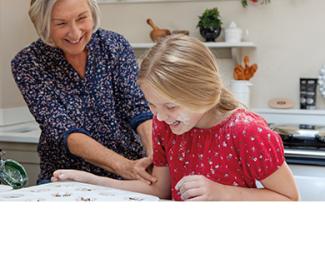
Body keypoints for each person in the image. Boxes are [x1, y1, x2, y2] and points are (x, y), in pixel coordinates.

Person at [52, 34, 299, 201]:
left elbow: (289, 199)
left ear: (203, 91)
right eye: (152, 104)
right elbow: (159, 189)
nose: (159, 115)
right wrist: (91, 181)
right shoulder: (166, 125)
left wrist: (220, 193)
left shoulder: (246, 132)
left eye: (170, 105)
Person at [11, 0, 156, 185]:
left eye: (82, 18)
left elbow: (138, 108)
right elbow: (63, 130)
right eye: (61, 23)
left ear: (92, 13)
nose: (75, 32)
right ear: (43, 24)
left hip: (133, 170)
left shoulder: (114, 45)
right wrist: (123, 166)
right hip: (66, 177)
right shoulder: (28, 63)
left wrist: (154, 155)